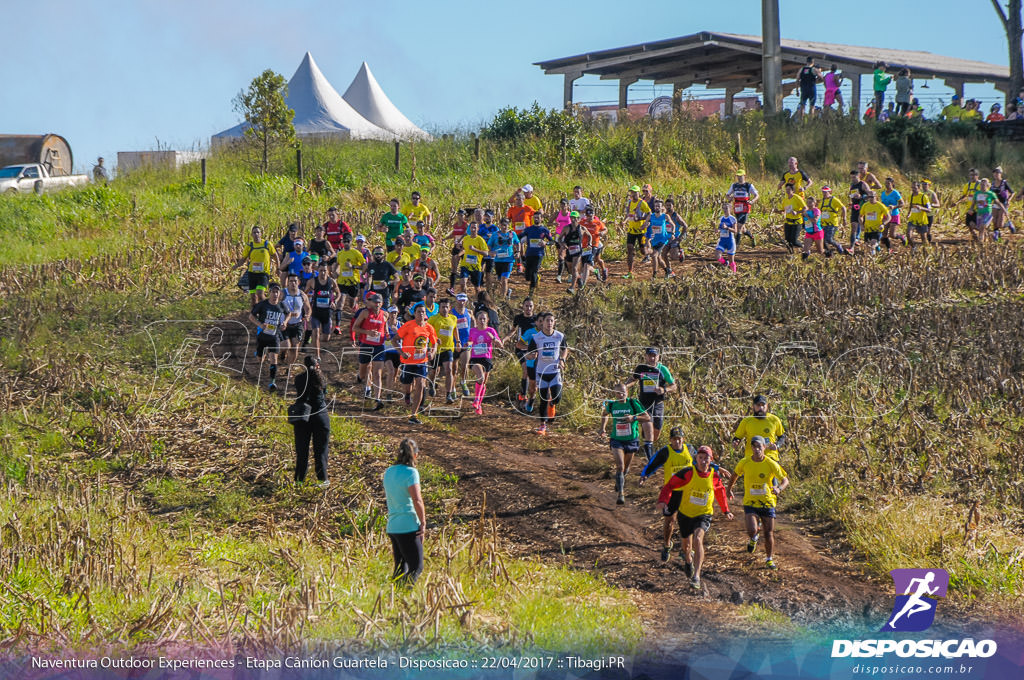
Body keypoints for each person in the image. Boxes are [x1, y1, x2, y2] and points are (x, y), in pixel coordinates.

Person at [656, 446, 733, 589]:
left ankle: (697, 576)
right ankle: (688, 560)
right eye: (701, 458)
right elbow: (669, 485)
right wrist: (663, 500)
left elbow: (720, 492)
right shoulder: (687, 473)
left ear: (711, 460)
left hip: (703, 514)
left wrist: (726, 510)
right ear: (696, 459)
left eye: (706, 458)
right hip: (685, 514)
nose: (703, 461)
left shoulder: (714, 476)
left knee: (698, 538)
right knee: (686, 547)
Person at [726, 436, 790, 570]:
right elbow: (734, 475)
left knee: (768, 533)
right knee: (752, 530)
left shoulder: (770, 463)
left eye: (759, 446)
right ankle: (753, 538)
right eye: (753, 447)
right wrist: (729, 489)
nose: (756, 449)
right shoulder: (745, 462)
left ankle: (769, 559)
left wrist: (778, 488)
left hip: (767, 502)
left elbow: (785, 480)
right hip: (751, 502)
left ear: (764, 448)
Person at [639, 427, 696, 561]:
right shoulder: (666, 451)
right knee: (670, 521)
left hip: (687, 492)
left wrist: (715, 471)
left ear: (683, 439)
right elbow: (653, 463)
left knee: (687, 521)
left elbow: (702, 462)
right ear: (670, 440)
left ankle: (686, 549)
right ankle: (666, 544)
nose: (677, 442)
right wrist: (644, 475)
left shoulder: (690, 450)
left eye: (679, 439)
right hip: (672, 492)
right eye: (674, 439)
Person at [600, 383, 653, 505]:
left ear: (627, 393)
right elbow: (604, 414)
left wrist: (633, 418)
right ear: (615, 393)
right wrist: (602, 428)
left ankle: (619, 481)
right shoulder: (612, 405)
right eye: (618, 393)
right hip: (616, 439)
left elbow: (647, 417)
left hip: (631, 440)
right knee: (620, 466)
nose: (621, 395)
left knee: (625, 469)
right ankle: (621, 494)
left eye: (623, 392)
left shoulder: (633, 403)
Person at [382, 438, 426, 585]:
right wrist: (423, 522)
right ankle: (405, 596)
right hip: (408, 525)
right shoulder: (411, 473)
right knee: (416, 567)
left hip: (393, 526)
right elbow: (417, 500)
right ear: (415, 455)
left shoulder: (389, 471)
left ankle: (393, 596)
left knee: (400, 567)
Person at [624, 347, 677, 447]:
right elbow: (633, 379)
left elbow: (674, 386)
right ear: (646, 356)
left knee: (656, 432)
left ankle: (646, 443)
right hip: (644, 403)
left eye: (654, 356)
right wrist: (625, 386)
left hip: (658, 404)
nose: (652, 358)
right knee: (648, 426)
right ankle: (647, 448)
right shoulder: (641, 368)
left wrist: (664, 389)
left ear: (658, 357)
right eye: (650, 356)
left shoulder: (663, 369)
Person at [249, 283, 296, 392]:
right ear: (269, 293)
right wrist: (260, 325)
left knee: (274, 359)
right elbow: (251, 316)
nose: (275, 294)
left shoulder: (281, 305)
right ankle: (260, 353)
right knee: (260, 359)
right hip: (262, 335)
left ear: (279, 294)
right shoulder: (262, 304)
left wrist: (284, 322)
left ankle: (272, 382)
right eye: (273, 292)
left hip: (274, 336)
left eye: (277, 292)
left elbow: (288, 314)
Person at [526, 312, 568, 435]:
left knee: (556, 397)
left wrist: (562, 359)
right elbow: (529, 353)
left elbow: (565, 348)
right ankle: (542, 425)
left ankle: (552, 403)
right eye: (547, 321)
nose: (549, 323)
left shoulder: (559, 336)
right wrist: (532, 356)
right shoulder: (536, 337)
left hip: (555, 371)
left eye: (551, 321)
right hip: (541, 372)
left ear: (554, 322)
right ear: (542, 322)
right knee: (543, 399)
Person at [395, 305, 438, 424]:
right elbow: (395, 339)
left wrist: (433, 353)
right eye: (419, 312)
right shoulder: (408, 325)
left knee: (420, 384)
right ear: (415, 313)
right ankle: (407, 394)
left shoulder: (429, 328)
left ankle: (413, 414)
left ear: (426, 314)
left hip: (421, 362)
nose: (421, 314)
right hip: (408, 361)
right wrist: (401, 352)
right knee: (407, 386)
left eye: (423, 312)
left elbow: (434, 343)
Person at [291, 355, 330, 487]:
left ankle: (299, 480)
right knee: (321, 450)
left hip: (303, 416)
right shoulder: (322, 379)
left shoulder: (299, 379)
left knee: (302, 450)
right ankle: (322, 479)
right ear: (317, 365)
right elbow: (324, 393)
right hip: (320, 415)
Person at [467, 310, 503, 415]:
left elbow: (500, 345)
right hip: (475, 358)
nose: (482, 321)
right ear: (476, 320)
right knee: (480, 377)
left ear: (487, 320)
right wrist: (468, 343)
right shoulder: (472, 331)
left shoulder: (491, 330)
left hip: (486, 358)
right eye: (480, 319)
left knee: (483, 382)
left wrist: (493, 338)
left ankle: (479, 405)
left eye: (484, 319)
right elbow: (469, 341)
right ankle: (477, 400)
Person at [731, 394, 787, 462]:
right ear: (753, 406)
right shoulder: (747, 421)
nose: (761, 408)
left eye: (763, 405)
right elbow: (737, 437)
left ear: (767, 406)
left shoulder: (774, 419)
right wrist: (735, 442)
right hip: (751, 458)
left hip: (770, 457)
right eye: (758, 405)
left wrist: (777, 445)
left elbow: (782, 436)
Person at [234, 225, 278, 306]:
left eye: (258, 232)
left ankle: (268, 308)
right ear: (252, 235)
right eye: (254, 233)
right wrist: (236, 266)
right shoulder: (250, 246)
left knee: (260, 294)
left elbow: (275, 255)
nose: (256, 234)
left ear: (261, 234)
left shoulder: (267, 244)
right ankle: (254, 314)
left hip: (263, 273)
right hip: (252, 273)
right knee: (254, 297)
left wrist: (278, 267)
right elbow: (243, 259)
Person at [427, 298, 460, 404]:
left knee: (449, 369)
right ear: (439, 308)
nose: (445, 309)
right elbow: (427, 331)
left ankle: (448, 395)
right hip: (435, 349)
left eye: (446, 307)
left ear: (449, 308)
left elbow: (455, 329)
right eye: (442, 307)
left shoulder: (453, 318)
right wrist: (434, 340)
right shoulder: (433, 319)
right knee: (433, 371)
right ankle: (431, 384)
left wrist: (458, 341)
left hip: (448, 348)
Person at [306, 261, 340, 358]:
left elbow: (338, 293)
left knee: (326, 338)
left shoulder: (331, 281)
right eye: (321, 271)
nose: (323, 273)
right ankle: (317, 356)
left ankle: (314, 339)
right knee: (316, 333)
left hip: (327, 313)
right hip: (316, 312)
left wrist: (335, 302)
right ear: (318, 271)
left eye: (325, 271)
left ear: (327, 271)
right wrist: (307, 303)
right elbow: (304, 294)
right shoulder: (312, 281)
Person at [508, 298, 537, 403]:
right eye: (526, 306)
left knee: (531, 372)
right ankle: (523, 395)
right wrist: (504, 339)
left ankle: (530, 394)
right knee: (525, 369)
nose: (528, 308)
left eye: (530, 306)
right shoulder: (518, 318)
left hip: (533, 349)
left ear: (533, 307)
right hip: (521, 347)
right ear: (523, 306)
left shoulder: (536, 319)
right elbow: (513, 330)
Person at [281, 274, 311, 367]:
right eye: (291, 281)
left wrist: (307, 315)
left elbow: (308, 308)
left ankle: (289, 368)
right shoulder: (283, 293)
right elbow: (274, 305)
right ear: (288, 283)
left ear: (298, 282)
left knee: (294, 347)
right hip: (284, 325)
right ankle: (282, 352)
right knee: (286, 345)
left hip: (297, 324)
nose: (293, 283)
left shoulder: (302, 295)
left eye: (295, 281)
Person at [487, 217, 520, 300]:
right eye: (502, 225)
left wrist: (518, 252)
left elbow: (518, 243)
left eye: (506, 225)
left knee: (504, 279)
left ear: (508, 225)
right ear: (500, 225)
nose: (504, 227)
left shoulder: (512, 234)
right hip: (498, 260)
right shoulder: (495, 235)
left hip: (509, 260)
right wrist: (491, 252)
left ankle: (502, 299)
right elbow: (489, 245)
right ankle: (507, 291)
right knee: (500, 280)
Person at [622, 185, 651, 279]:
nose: (633, 194)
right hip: (631, 230)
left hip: (641, 231)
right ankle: (630, 271)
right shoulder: (630, 203)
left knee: (643, 251)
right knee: (630, 249)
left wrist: (642, 220)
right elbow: (628, 214)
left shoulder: (642, 203)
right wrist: (624, 221)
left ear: (639, 193)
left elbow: (649, 214)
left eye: (635, 192)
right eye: (632, 192)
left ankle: (652, 253)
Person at [521, 215, 554, 295]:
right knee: (527, 276)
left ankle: (531, 293)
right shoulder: (528, 229)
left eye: (538, 218)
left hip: (539, 254)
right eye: (534, 217)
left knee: (534, 271)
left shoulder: (544, 230)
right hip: (529, 253)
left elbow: (552, 242)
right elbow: (519, 237)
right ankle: (536, 279)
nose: (536, 219)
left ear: (541, 219)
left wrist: (546, 243)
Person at [727, 170, 759, 246]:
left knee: (738, 226)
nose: (739, 178)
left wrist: (752, 201)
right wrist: (729, 198)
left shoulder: (749, 185)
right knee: (743, 229)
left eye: (741, 176)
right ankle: (751, 237)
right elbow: (727, 195)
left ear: (745, 176)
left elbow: (757, 195)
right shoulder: (734, 185)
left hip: (745, 208)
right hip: (737, 208)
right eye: (738, 176)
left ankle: (736, 246)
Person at [644, 200, 674, 279]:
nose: (657, 207)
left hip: (662, 240)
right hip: (654, 240)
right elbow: (643, 226)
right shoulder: (651, 216)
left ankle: (654, 275)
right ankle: (667, 271)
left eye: (659, 206)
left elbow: (673, 225)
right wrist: (645, 225)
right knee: (659, 258)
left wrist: (673, 234)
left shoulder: (665, 216)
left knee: (654, 256)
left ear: (661, 207)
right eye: (656, 206)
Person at [458, 222, 489, 296]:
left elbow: (486, 253)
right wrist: (458, 254)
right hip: (465, 265)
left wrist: (475, 249)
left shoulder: (480, 240)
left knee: (477, 288)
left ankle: (478, 303)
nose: (473, 229)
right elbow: (463, 249)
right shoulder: (465, 239)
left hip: (476, 266)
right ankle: (464, 299)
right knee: (462, 283)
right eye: (471, 227)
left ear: (478, 229)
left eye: (475, 228)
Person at [971, 178, 1006, 243]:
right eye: (981, 184)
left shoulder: (991, 193)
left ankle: (980, 242)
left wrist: (1004, 210)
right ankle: (992, 235)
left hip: (988, 213)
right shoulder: (977, 193)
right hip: (979, 213)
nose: (982, 186)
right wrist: (971, 209)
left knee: (982, 227)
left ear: (987, 185)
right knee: (980, 229)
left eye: (984, 185)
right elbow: (973, 203)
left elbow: (998, 202)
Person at [581, 206, 609, 282]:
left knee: (593, 261)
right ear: (586, 216)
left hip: (595, 244)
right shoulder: (582, 222)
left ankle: (603, 270)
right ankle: (597, 271)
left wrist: (602, 233)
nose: (589, 218)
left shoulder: (597, 222)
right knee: (595, 260)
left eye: (591, 216)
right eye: (588, 216)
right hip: (585, 245)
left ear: (594, 215)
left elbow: (605, 229)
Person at [776, 184, 807, 254]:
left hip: (797, 222)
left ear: (793, 190)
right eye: (786, 189)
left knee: (794, 241)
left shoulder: (797, 198)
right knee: (787, 240)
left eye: (789, 190)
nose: (787, 191)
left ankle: (805, 247)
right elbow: (783, 211)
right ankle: (791, 254)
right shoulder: (785, 200)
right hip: (788, 222)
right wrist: (777, 211)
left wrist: (797, 212)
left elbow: (805, 208)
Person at [847, 169, 871, 251]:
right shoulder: (852, 185)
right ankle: (852, 247)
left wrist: (862, 197)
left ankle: (872, 245)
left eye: (854, 177)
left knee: (866, 227)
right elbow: (850, 195)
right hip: (855, 207)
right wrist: (851, 199)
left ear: (859, 176)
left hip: (863, 208)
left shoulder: (863, 184)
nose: (853, 179)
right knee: (853, 227)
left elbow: (870, 195)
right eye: (851, 177)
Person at [954, 168, 983, 238]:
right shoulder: (968, 185)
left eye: (973, 175)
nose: (972, 177)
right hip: (969, 208)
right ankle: (975, 235)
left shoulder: (981, 184)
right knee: (969, 224)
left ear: (977, 176)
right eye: (970, 175)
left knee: (974, 225)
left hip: (978, 209)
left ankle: (984, 234)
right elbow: (964, 195)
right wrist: (957, 202)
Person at [446, 209, 470, 291]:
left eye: (462, 215)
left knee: (465, 266)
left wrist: (461, 240)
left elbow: (467, 233)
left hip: (463, 248)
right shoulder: (455, 225)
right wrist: (445, 238)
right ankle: (452, 287)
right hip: (456, 247)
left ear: (464, 216)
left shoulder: (466, 225)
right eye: (459, 215)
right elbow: (453, 234)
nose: (460, 217)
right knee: (454, 267)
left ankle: (465, 285)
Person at [819, 186, 847, 256]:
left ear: (830, 192)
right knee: (822, 240)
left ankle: (838, 246)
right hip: (823, 224)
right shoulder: (822, 201)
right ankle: (829, 253)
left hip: (832, 224)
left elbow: (843, 208)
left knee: (829, 239)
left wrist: (844, 219)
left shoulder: (834, 200)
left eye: (826, 192)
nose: (824, 194)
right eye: (823, 192)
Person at [905, 181, 932, 249]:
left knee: (923, 238)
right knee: (908, 235)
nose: (913, 189)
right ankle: (914, 248)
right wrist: (909, 214)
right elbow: (911, 207)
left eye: (915, 188)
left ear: (919, 188)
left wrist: (921, 208)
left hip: (922, 221)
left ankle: (927, 250)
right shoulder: (910, 197)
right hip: (912, 220)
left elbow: (929, 209)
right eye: (912, 188)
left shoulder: (924, 197)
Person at [880, 177, 905, 248]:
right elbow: (882, 203)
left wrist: (894, 207)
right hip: (886, 215)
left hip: (894, 214)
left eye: (888, 183)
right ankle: (889, 248)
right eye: (886, 183)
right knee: (884, 234)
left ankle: (901, 237)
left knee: (892, 234)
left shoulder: (895, 193)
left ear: (892, 184)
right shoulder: (883, 193)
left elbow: (902, 203)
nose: (887, 185)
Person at [992, 166, 1015, 237]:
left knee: (1000, 224)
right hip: (995, 204)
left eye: (997, 173)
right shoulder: (992, 183)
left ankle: (1008, 224)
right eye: (995, 173)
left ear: (1000, 174)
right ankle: (997, 235)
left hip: (1003, 204)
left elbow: (1012, 192)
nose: (996, 174)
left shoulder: (1004, 183)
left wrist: (1009, 200)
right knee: (994, 222)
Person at [664, 198, 689, 263]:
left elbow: (685, 226)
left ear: (673, 206)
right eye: (667, 205)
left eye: (670, 205)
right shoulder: (664, 215)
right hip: (666, 237)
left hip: (675, 237)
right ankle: (668, 269)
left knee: (674, 257)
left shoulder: (676, 216)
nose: (668, 207)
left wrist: (681, 236)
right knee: (663, 254)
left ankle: (680, 252)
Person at [801, 196, 824, 260]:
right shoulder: (806, 211)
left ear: (814, 203)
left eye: (810, 202)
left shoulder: (816, 210)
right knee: (805, 250)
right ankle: (804, 264)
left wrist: (807, 216)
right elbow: (804, 222)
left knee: (820, 251)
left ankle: (828, 257)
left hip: (817, 232)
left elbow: (815, 221)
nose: (809, 204)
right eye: (807, 202)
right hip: (809, 232)